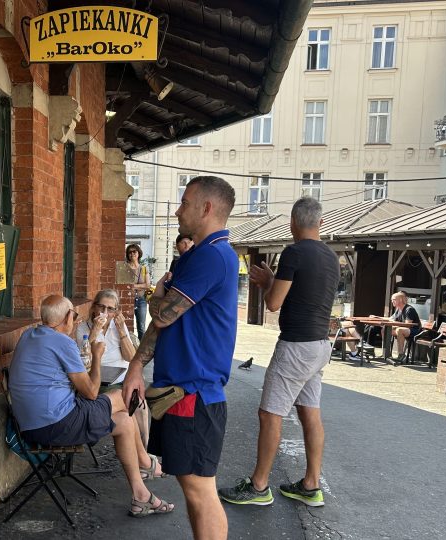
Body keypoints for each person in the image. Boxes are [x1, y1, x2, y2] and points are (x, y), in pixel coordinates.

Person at [122, 176, 238, 540]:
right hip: (182, 392)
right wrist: (136, 367)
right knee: (193, 489)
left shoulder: (212, 256)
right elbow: (165, 323)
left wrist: (158, 293)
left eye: (184, 202)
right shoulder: (199, 255)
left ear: (206, 208)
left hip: (194, 393)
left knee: (200, 491)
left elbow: (162, 315)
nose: (177, 210)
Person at [218, 197, 338, 509]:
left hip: (296, 346)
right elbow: (304, 295)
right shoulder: (331, 256)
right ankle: (311, 485)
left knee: (269, 414)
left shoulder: (294, 252)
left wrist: (268, 282)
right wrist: (275, 282)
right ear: (320, 224)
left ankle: (259, 486)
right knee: (309, 411)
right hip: (320, 345)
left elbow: (274, 303)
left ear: (293, 224)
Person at [9, 295, 173, 517]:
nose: (75, 320)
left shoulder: (28, 335)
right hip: (56, 425)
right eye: (74, 315)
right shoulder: (62, 342)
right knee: (121, 395)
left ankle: (141, 495)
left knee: (124, 421)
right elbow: (91, 392)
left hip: (29, 426)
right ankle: (145, 462)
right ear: (67, 317)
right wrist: (97, 356)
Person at [75, 290, 157, 458]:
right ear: (93, 308)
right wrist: (95, 331)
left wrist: (121, 332)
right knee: (128, 408)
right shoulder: (83, 327)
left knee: (141, 404)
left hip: (121, 378)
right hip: (98, 382)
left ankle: (146, 451)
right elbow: (84, 360)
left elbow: (130, 357)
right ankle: (139, 458)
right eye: (102, 307)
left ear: (116, 311)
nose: (105, 313)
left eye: (110, 309)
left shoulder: (118, 326)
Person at [126, 244, 151, 342]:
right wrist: (141, 286)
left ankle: (141, 349)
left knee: (141, 327)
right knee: (128, 325)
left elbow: (148, 285)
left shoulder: (144, 268)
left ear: (138, 253)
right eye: (130, 252)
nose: (132, 254)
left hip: (141, 300)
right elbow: (124, 285)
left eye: (134, 251)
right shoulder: (125, 268)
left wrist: (133, 286)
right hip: (128, 299)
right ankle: (130, 348)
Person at [390, 292, 422, 364]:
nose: (392, 301)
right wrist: (378, 318)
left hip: (415, 330)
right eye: (391, 300)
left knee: (399, 330)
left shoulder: (409, 309)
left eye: (394, 299)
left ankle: (401, 355)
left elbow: (408, 325)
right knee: (386, 329)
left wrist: (395, 326)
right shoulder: (398, 309)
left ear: (400, 300)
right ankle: (386, 353)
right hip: (406, 329)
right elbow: (391, 319)